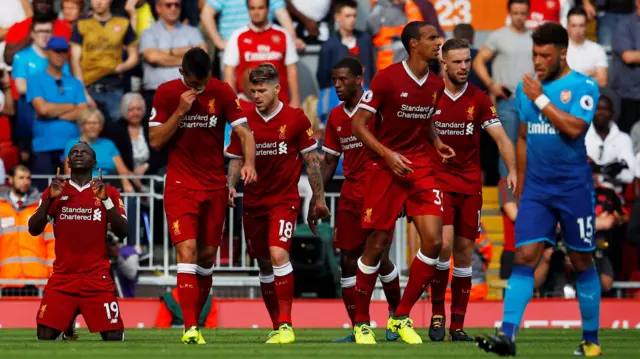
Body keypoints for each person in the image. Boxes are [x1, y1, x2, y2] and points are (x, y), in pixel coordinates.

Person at [475, 22, 602, 357]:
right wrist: (517, 174)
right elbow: (521, 137)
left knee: (581, 260)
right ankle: (507, 335)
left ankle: (591, 341)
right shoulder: (526, 88)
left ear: (562, 53)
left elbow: (575, 129)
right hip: (537, 189)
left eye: (545, 55)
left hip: (574, 188)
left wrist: (541, 98)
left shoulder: (583, 85)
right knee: (524, 255)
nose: (539, 61)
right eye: (535, 54)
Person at [349, 21, 455, 345]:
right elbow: (357, 124)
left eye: (437, 37)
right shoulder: (387, 78)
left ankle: (400, 317)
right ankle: (361, 322)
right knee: (377, 247)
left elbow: (426, 122)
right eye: (431, 39)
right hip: (383, 167)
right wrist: (387, 153)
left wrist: (436, 143)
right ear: (413, 44)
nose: (438, 43)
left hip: (419, 166)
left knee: (435, 242)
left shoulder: (437, 84)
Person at [148, 47, 257, 344]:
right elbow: (155, 141)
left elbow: (245, 132)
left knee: (207, 258)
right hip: (181, 185)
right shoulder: (167, 94)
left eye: (204, 81)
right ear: (182, 74)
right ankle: (190, 328)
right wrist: (180, 112)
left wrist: (249, 162)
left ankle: (194, 317)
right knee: (187, 252)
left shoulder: (221, 91)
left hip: (214, 186)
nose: (200, 88)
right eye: (195, 83)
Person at [225, 63, 330, 344]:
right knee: (263, 263)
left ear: (276, 89)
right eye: (253, 90)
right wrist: (230, 187)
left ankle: (286, 324)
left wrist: (318, 199)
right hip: (254, 202)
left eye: (261, 90)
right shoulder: (244, 121)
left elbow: (312, 161)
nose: (256, 95)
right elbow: (235, 158)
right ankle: (276, 324)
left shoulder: (295, 118)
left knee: (278, 254)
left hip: (283, 200)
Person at [426, 38, 517, 342]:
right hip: (438, 182)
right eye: (458, 62)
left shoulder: (478, 98)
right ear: (444, 64)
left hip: (469, 185)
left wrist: (512, 171)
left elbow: (502, 139)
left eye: (467, 61)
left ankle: (457, 325)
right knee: (444, 244)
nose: (464, 67)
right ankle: (437, 313)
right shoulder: (430, 95)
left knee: (465, 253)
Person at [315, 57, 401, 343]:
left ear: (358, 79)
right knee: (348, 260)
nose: (337, 85)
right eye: (334, 80)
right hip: (351, 193)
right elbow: (329, 161)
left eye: (342, 80)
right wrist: (316, 199)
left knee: (379, 257)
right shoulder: (336, 117)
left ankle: (396, 317)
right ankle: (359, 327)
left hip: (380, 190)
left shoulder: (378, 109)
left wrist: (400, 194)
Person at [28, 144, 128, 341]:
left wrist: (106, 201)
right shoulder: (56, 189)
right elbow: (33, 228)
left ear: (94, 162)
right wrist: (49, 199)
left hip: (96, 277)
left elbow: (123, 232)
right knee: (44, 337)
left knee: (114, 338)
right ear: (68, 162)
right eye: (74, 152)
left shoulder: (109, 192)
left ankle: (71, 316)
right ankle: (68, 319)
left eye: (85, 152)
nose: (79, 154)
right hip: (63, 278)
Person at [473, 0, 533, 179]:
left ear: (528, 13)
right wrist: (491, 85)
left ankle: (526, 198)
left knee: (530, 150)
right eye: (515, 13)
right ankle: (508, 200)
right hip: (508, 100)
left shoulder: (534, 37)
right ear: (509, 13)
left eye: (523, 13)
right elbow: (478, 62)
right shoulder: (499, 36)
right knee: (507, 149)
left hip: (531, 101)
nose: (519, 17)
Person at [28, 37, 87, 190]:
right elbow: (42, 109)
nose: (60, 55)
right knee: (43, 197)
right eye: (56, 51)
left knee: (73, 197)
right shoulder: (35, 80)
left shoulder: (75, 83)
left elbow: (83, 112)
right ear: (48, 53)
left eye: (63, 52)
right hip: (43, 148)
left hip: (73, 149)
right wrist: (70, 106)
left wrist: (53, 113)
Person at [223, 0, 300, 108]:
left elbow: (292, 71)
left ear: (268, 9)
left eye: (260, 8)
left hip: (279, 104)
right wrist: (233, 103)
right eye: (252, 8)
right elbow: (229, 72)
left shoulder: (283, 34)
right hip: (247, 105)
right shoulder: (237, 36)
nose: (256, 12)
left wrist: (295, 101)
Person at [70, 0, 139, 122]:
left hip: (115, 88)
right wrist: (82, 92)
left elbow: (134, 56)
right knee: (88, 130)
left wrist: (120, 67)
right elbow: (75, 61)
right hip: (90, 87)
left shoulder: (123, 23)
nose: (99, 2)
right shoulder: (81, 24)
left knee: (116, 131)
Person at [0, 165, 54, 296]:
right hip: (6, 280)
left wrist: (52, 277)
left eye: (28, 178)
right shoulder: (1, 209)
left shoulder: (41, 208)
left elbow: (51, 245)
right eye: (21, 178)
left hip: (38, 281)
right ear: (11, 180)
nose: (26, 181)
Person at [63, 108, 135, 193]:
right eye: (88, 123)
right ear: (81, 126)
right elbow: (69, 173)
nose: (92, 126)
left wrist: (125, 181)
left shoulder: (108, 144)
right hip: (83, 186)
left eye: (95, 123)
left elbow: (122, 170)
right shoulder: (72, 145)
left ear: (101, 126)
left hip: (108, 185)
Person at [316, 0, 375, 90]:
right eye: (347, 16)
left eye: (354, 16)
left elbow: (371, 70)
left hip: (365, 95)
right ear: (337, 17)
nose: (352, 20)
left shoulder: (365, 39)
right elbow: (323, 78)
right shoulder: (329, 46)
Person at [586, 95, 635, 195]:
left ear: (612, 113)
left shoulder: (623, 139)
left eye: (605, 109)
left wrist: (608, 172)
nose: (601, 113)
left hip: (612, 195)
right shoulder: (582, 135)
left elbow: (630, 175)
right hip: (585, 192)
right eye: (598, 109)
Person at [566, 7, 608, 88]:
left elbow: (602, 81)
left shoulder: (597, 50)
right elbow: (556, 80)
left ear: (587, 26)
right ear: (568, 26)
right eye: (574, 25)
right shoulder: (560, 49)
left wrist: (571, 78)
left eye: (581, 25)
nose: (577, 30)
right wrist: (588, 76)